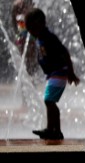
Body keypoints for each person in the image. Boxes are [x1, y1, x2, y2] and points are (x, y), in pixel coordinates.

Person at [24, 8, 80, 140]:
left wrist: (71, 72)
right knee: (50, 101)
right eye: (28, 29)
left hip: (59, 72)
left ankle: (52, 130)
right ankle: (56, 131)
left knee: (49, 100)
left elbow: (65, 52)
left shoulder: (49, 37)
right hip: (53, 74)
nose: (30, 32)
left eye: (32, 28)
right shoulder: (39, 37)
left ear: (40, 24)